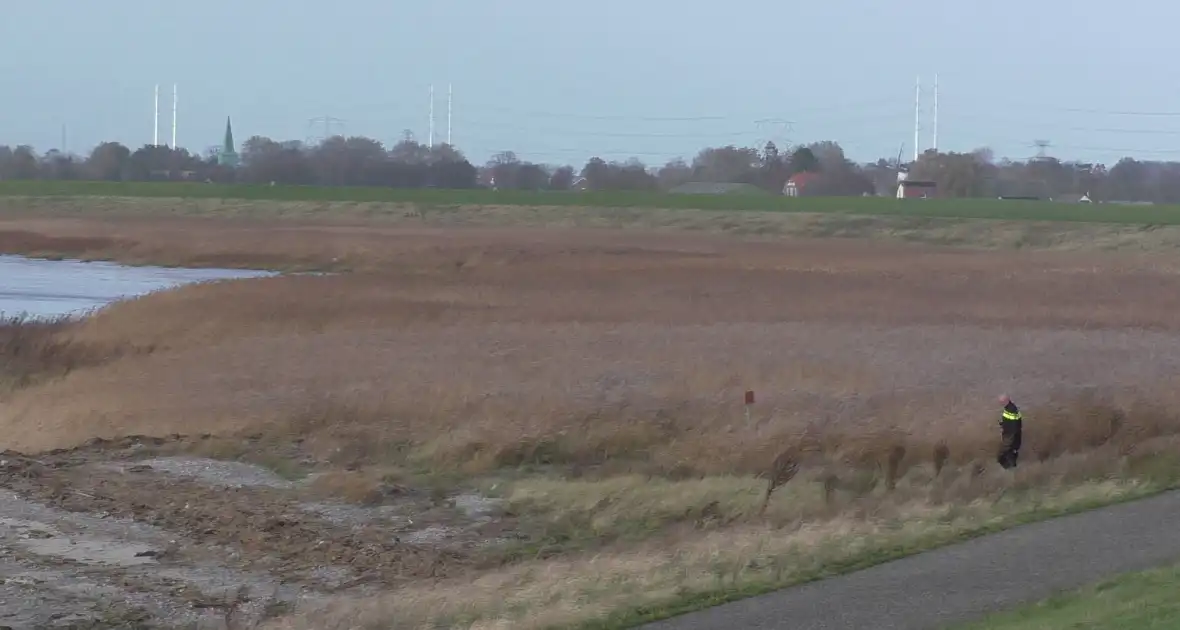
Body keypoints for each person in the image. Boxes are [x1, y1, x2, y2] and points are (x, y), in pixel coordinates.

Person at [997, 394, 1023, 469]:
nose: (1000, 404)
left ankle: (1008, 467)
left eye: (1001, 402)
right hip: (1011, 433)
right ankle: (1011, 466)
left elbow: (1014, 424)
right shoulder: (1010, 408)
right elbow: (1011, 421)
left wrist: (1011, 437)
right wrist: (1003, 424)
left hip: (1010, 434)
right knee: (1011, 450)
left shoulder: (1012, 410)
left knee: (1005, 451)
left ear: (1006, 401)